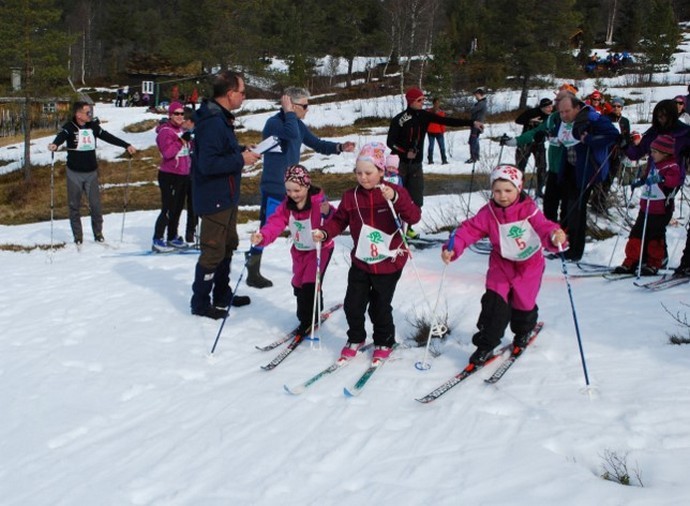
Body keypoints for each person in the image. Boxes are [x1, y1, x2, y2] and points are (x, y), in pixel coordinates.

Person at [441, 165, 566, 365]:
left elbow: (545, 227)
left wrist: (554, 236)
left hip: (529, 265)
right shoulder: (489, 212)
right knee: (493, 305)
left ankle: (523, 332)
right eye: (497, 191)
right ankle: (486, 344)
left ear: (519, 188)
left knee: (523, 305)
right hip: (501, 264)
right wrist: (453, 247)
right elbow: (469, 230)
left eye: (508, 190)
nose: (503, 196)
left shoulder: (529, 210)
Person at [312, 142, 422, 361]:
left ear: (381, 171)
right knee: (353, 304)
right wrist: (325, 233)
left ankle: (384, 340)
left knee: (380, 306)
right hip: (361, 260)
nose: (363, 177)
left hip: (388, 262)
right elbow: (340, 220)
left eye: (369, 172)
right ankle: (356, 337)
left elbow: (414, 217)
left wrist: (396, 199)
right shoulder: (350, 196)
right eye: (359, 173)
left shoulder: (393, 192)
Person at [247, 87, 356, 289]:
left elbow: (316, 143)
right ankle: (253, 270)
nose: (308, 110)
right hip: (274, 187)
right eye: (305, 106)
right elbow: (290, 133)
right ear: (291, 104)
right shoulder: (275, 123)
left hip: (295, 189)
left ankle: (304, 268)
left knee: (303, 227)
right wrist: (288, 111)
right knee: (266, 228)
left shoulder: (296, 123)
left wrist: (340, 147)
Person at [190, 71, 261, 319]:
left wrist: (241, 150)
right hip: (214, 197)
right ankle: (200, 303)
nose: (243, 97)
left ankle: (222, 294)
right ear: (230, 94)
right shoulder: (211, 122)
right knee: (212, 251)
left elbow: (222, 151)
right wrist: (240, 159)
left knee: (227, 245)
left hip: (227, 194)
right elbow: (207, 164)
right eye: (242, 93)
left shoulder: (220, 118)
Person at [250, 165, 335, 334]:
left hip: (320, 250)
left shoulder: (318, 203)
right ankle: (307, 314)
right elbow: (274, 224)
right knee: (298, 285)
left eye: (297, 190)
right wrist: (263, 237)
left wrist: (329, 212)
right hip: (299, 251)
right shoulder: (286, 207)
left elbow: (336, 220)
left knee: (310, 285)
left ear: (306, 185)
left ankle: (309, 319)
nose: (293, 194)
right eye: (288, 190)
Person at [387, 87, 480, 237]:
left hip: (416, 165)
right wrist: (405, 152)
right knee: (398, 197)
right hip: (399, 165)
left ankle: (408, 227)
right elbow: (390, 142)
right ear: (411, 101)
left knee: (416, 199)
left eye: (423, 99)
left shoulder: (425, 116)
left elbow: (447, 120)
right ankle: (396, 229)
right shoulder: (399, 119)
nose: (422, 103)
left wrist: (472, 123)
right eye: (419, 100)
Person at [48, 101, 137, 244]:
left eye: (91, 112)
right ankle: (78, 236)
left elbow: (108, 136)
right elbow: (61, 136)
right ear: (78, 114)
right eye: (87, 113)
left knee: (95, 205)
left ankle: (98, 233)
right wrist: (55, 144)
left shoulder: (93, 127)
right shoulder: (69, 127)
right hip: (74, 173)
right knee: (74, 205)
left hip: (91, 172)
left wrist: (126, 145)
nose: (90, 115)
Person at [555, 94, 619, 261]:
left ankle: (575, 251)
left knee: (577, 209)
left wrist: (589, 139)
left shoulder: (593, 118)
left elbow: (613, 135)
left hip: (587, 171)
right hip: (570, 168)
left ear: (577, 107)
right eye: (561, 112)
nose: (564, 115)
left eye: (567, 111)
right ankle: (564, 246)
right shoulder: (564, 122)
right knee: (567, 208)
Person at [613, 134, 681, 276]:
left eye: (655, 152)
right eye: (651, 151)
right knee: (636, 233)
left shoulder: (672, 166)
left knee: (655, 236)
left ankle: (654, 262)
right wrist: (640, 182)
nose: (652, 154)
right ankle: (631, 260)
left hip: (661, 208)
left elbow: (674, 181)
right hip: (646, 206)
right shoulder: (653, 164)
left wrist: (662, 178)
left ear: (665, 153)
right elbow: (648, 178)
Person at [152, 101, 193, 253]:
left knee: (178, 208)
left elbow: (188, 150)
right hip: (169, 174)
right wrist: (181, 141)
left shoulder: (182, 130)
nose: (180, 116)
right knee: (168, 208)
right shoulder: (165, 132)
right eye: (176, 113)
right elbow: (167, 153)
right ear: (170, 115)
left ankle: (172, 236)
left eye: (182, 114)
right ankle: (157, 238)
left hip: (183, 174)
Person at [590, 96, 632, 214]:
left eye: (618, 106)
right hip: (605, 152)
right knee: (600, 177)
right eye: (613, 106)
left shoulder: (624, 121)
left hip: (616, 153)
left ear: (622, 108)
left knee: (609, 179)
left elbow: (627, 137)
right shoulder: (605, 118)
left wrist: (625, 143)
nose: (615, 108)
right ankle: (595, 202)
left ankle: (602, 202)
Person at [514, 98, 553, 196]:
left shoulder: (551, 116)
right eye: (547, 107)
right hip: (525, 142)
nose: (550, 109)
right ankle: (519, 189)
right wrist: (529, 120)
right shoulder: (532, 112)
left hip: (539, 143)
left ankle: (539, 189)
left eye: (551, 106)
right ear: (542, 107)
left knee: (542, 166)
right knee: (520, 165)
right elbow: (518, 120)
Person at [181, 107, 198, 244]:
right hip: (183, 172)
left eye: (183, 121)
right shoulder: (184, 133)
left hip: (196, 173)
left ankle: (191, 232)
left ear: (189, 121)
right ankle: (188, 232)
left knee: (194, 204)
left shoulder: (198, 132)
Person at [466, 87, 488, 163]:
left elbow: (472, 110)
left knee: (472, 141)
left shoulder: (481, 103)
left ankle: (473, 157)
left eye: (476, 94)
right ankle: (476, 156)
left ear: (479, 94)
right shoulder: (481, 103)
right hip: (477, 124)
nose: (475, 96)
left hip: (477, 125)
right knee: (475, 141)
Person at [426, 98, 448, 164]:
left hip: (430, 131)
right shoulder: (441, 112)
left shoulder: (428, 111)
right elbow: (442, 123)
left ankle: (430, 160)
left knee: (431, 145)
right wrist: (443, 130)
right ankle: (444, 160)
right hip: (438, 131)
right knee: (442, 146)